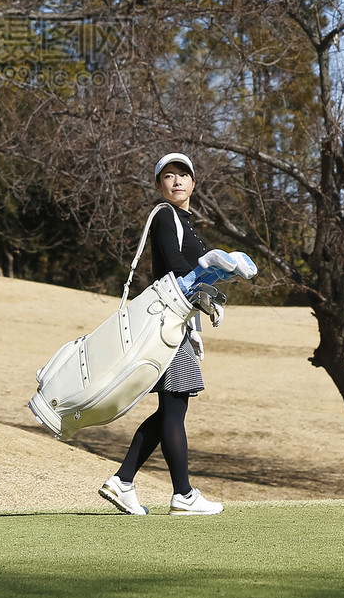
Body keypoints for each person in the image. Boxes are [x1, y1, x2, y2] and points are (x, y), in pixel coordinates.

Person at [98, 152, 224, 517]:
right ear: (159, 185)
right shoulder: (166, 215)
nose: (177, 180)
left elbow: (189, 277)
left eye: (184, 174)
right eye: (168, 176)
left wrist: (198, 322)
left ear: (194, 182)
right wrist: (216, 268)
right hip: (167, 324)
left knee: (172, 407)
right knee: (175, 405)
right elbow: (178, 268)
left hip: (179, 324)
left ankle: (123, 481)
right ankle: (182, 495)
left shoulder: (186, 222)